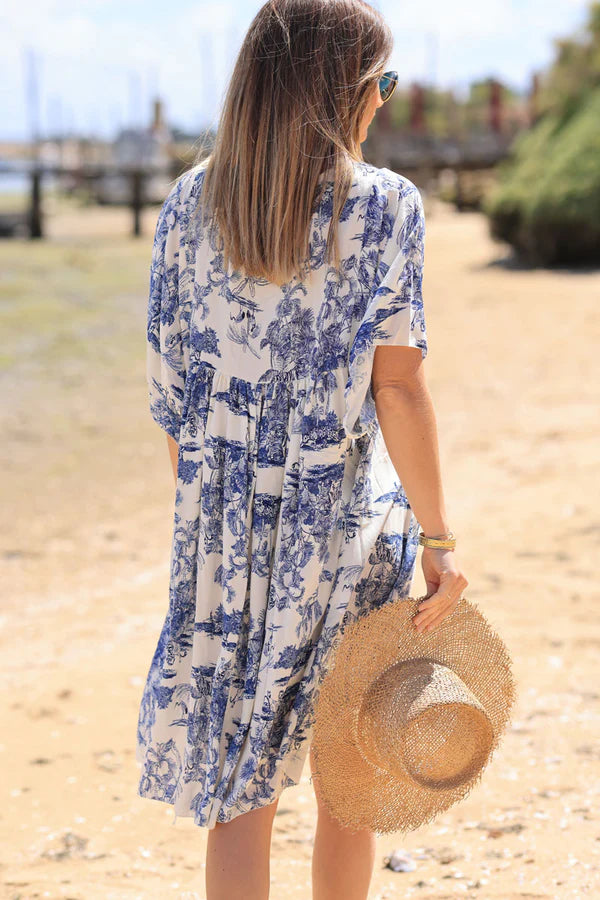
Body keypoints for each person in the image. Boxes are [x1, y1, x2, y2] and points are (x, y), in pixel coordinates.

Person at [135, 1, 468, 898]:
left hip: (220, 542)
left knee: (240, 796)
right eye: (382, 86)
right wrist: (438, 542)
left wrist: (219, 530)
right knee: (347, 785)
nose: (384, 106)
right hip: (342, 535)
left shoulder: (184, 204)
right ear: (345, 93)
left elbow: (175, 405)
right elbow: (397, 389)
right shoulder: (386, 205)